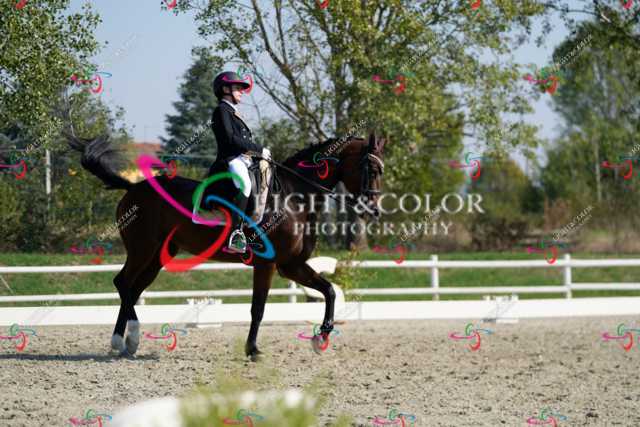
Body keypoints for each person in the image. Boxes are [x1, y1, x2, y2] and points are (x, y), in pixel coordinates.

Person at [192, 71, 271, 254]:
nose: (242, 92)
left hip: (243, 159)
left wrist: (259, 155)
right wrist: (259, 149)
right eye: (238, 88)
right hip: (230, 159)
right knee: (245, 185)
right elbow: (231, 140)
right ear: (225, 89)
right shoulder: (221, 111)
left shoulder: (233, 112)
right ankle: (236, 235)